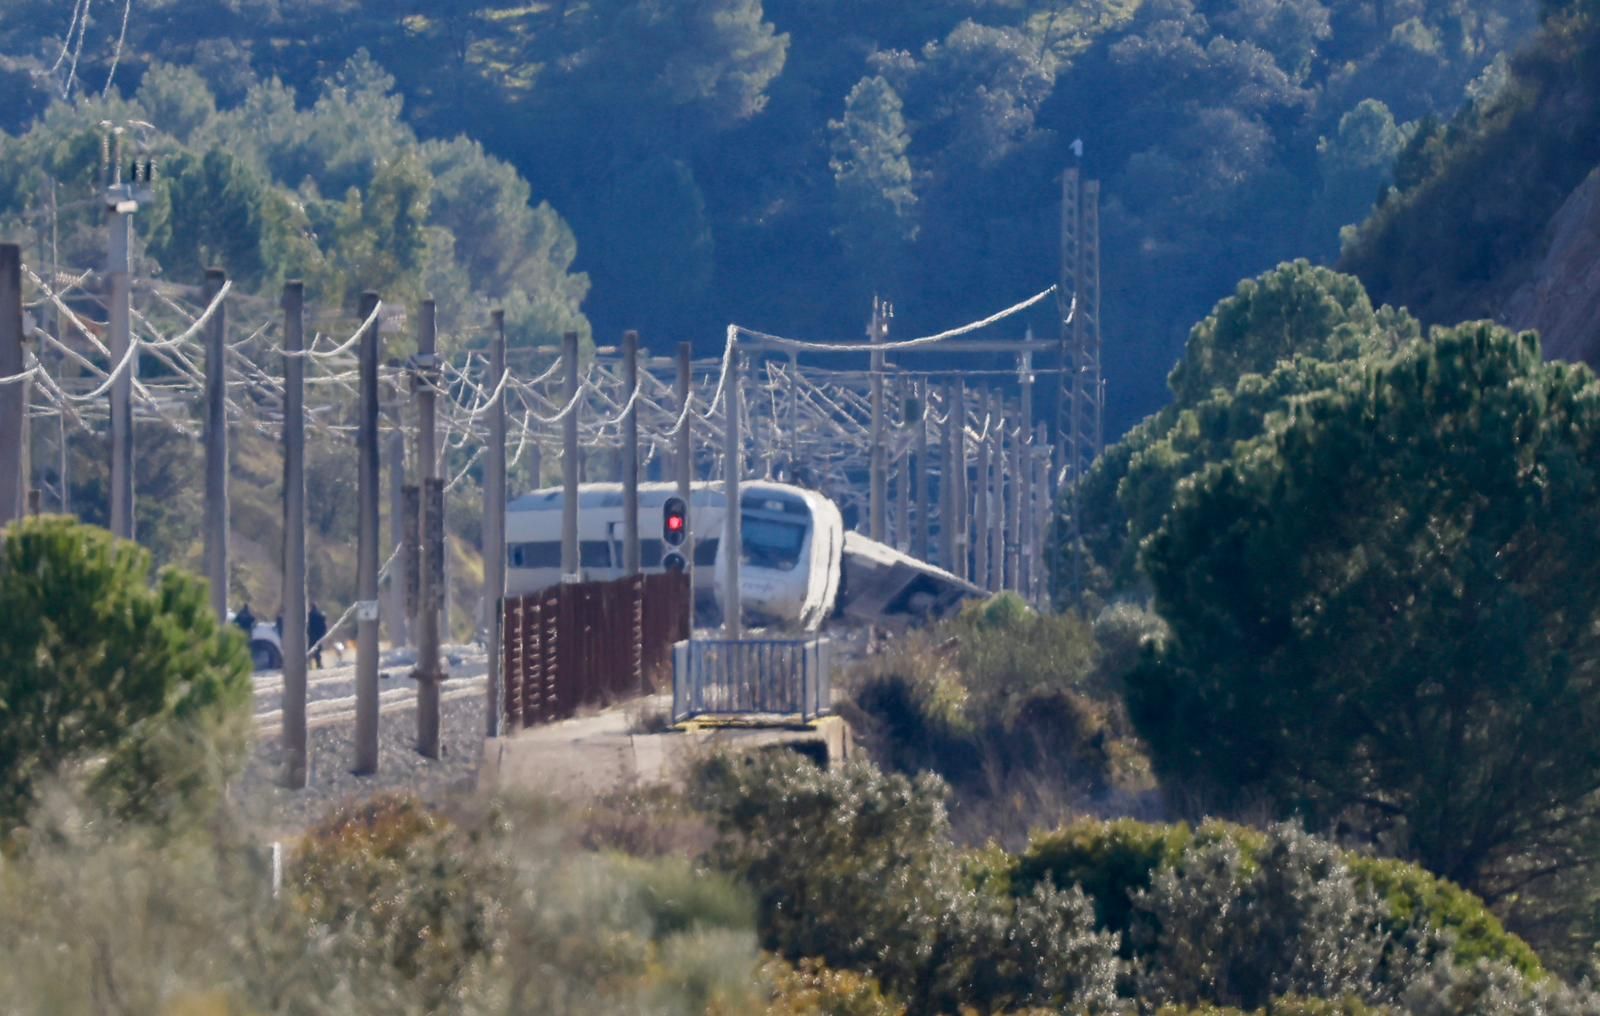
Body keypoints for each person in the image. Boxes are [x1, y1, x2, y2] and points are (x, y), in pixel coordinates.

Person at [307, 602, 327, 670]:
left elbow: (307, 627)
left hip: (311, 636)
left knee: (309, 652)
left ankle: (309, 666)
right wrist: (322, 635)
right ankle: (319, 665)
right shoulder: (320, 615)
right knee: (317, 652)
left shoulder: (309, 616)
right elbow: (324, 627)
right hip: (318, 636)